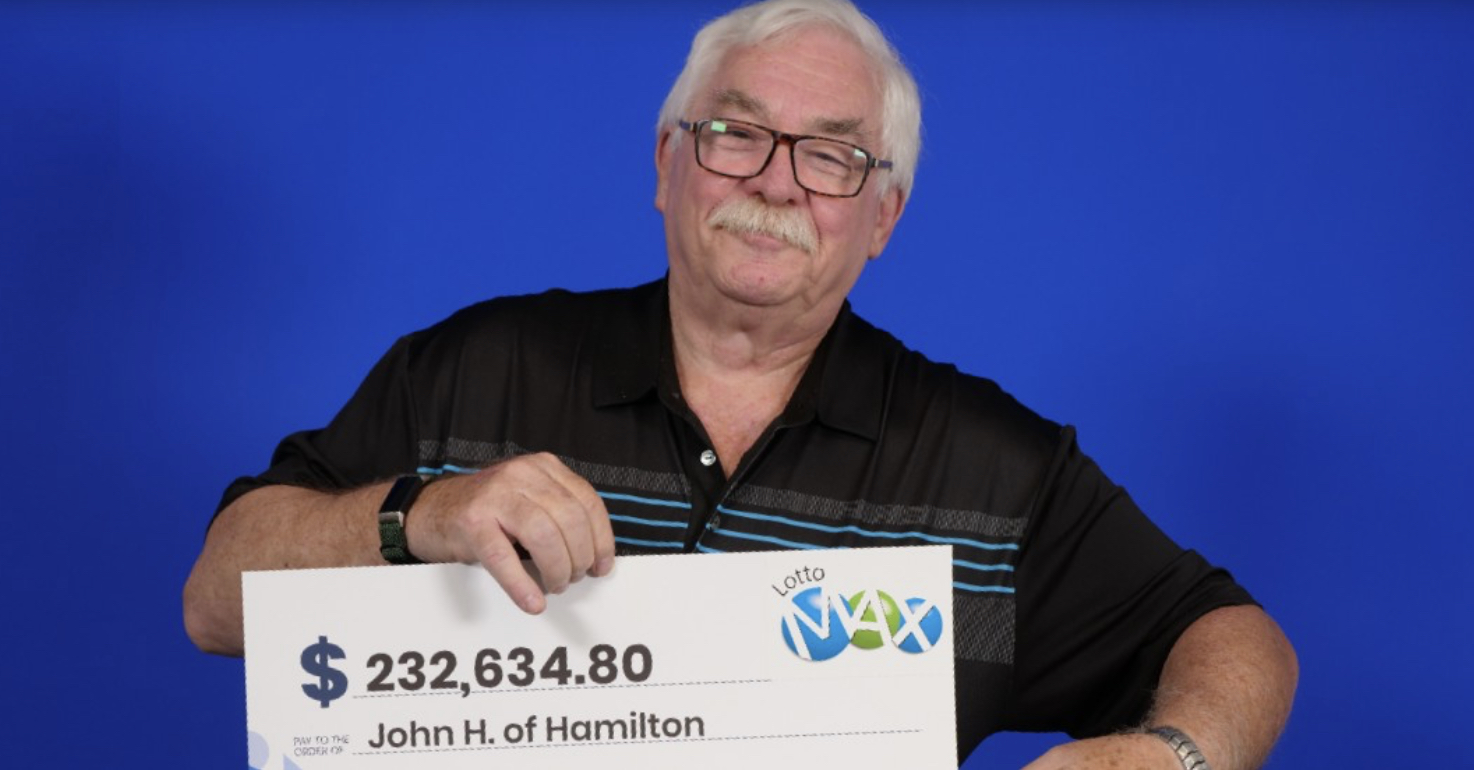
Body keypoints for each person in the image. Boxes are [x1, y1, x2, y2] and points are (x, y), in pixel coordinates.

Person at [183, 1, 1297, 767]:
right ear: (666, 162)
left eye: (833, 155)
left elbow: (1234, 636)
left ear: (883, 217)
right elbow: (217, 600)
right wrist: (419, 514)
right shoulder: (476, 367)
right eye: (735, 133)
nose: (776, 182)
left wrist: (1174, 754)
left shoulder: (994, 468)